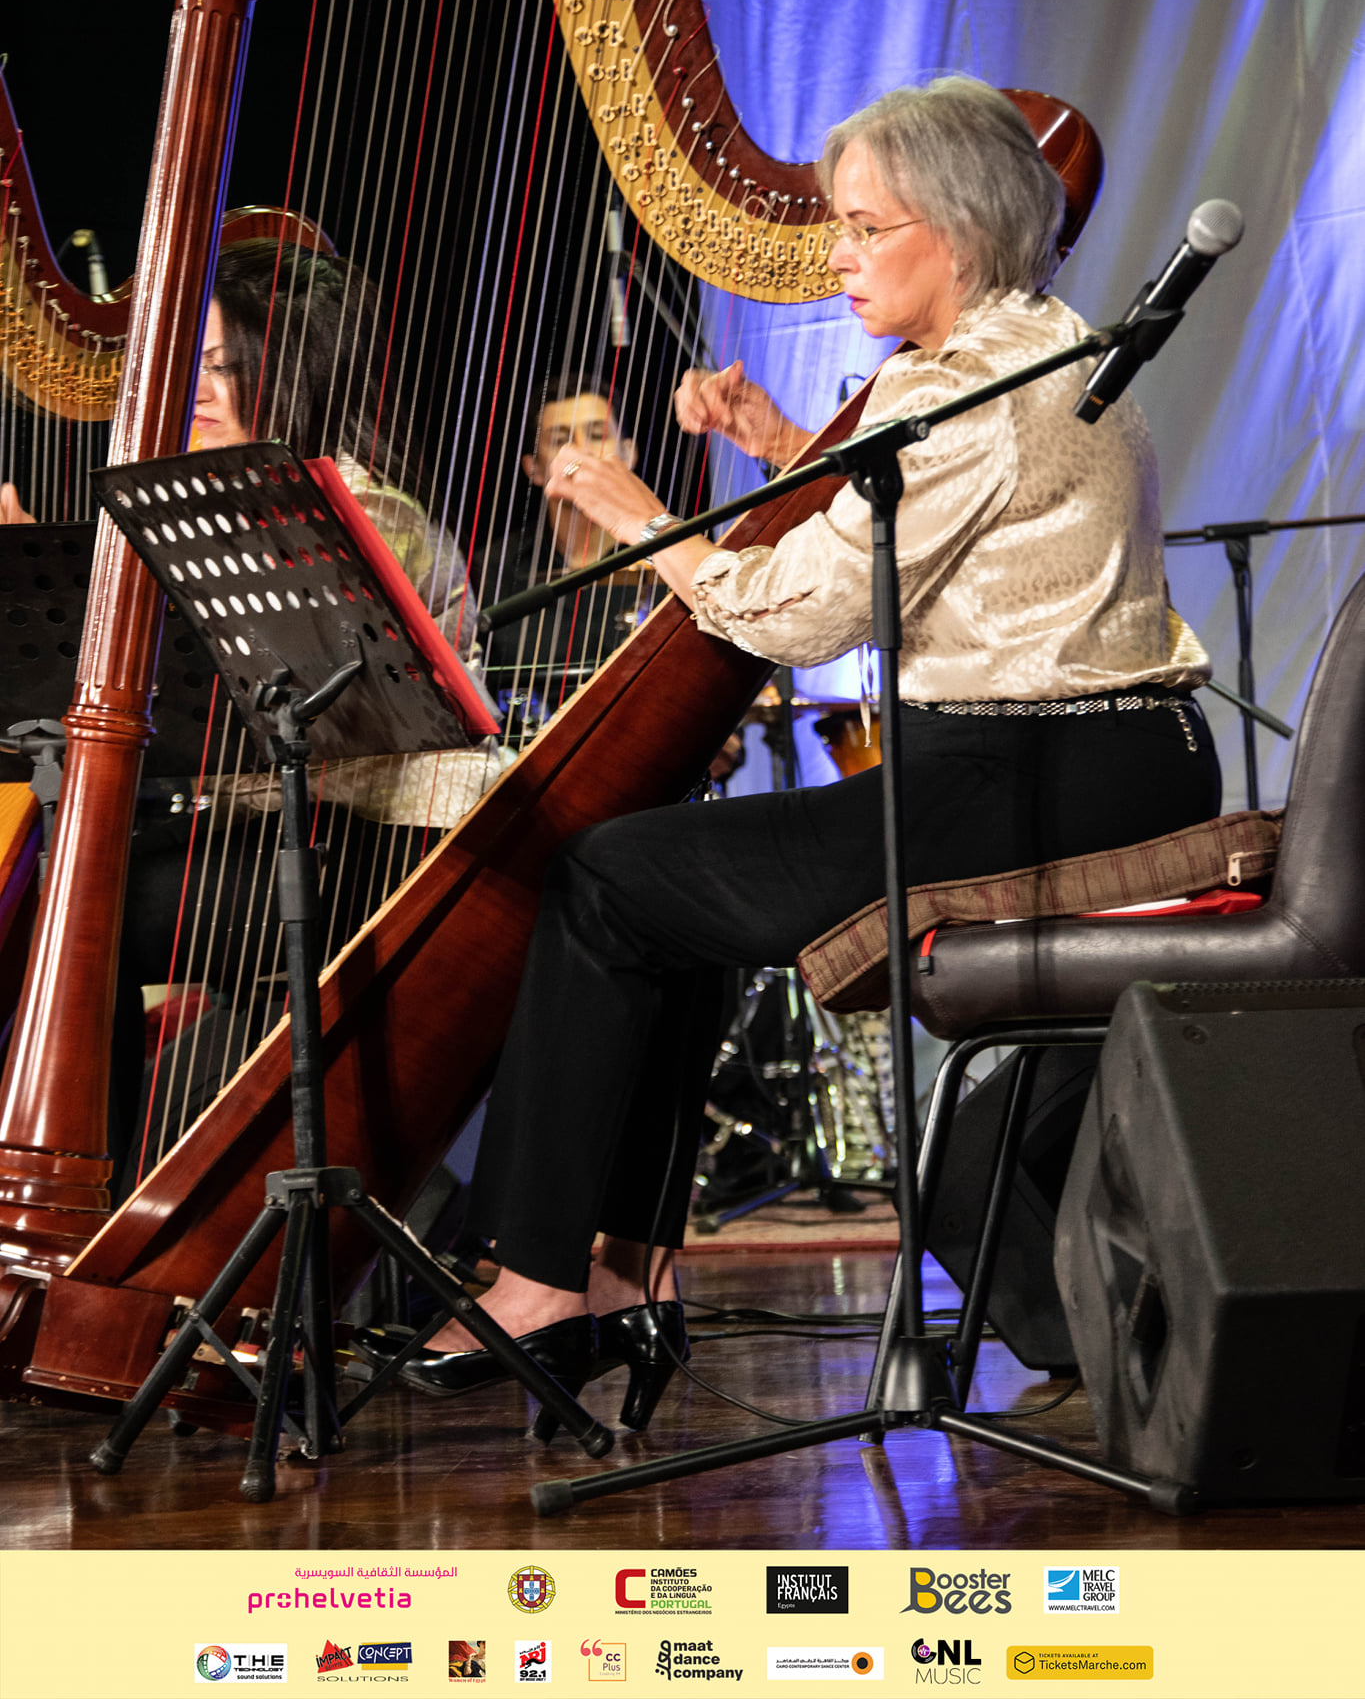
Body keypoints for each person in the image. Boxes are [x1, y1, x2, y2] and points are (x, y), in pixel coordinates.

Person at [360, 77, 1223, 1432]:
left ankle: (542, 1279)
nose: (837, 253)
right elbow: (917, 530)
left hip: (1034, 770)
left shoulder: (976, 391)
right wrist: (775, 444)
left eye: (865, 227)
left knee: (604, 877)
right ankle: (621, 1270)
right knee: (655, 895)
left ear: (958, 230)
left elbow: (800, 612)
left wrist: (639, 515)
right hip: (1099, 755)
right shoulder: (1022, 351)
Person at [107, 240, 501, 1194]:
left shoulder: (359, 509)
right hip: (282, 829)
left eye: (222, 366)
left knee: (91, 919)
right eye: (188, 365)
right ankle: (99, 1195)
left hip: (377, 850)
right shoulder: (210, 509)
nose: (194, 390)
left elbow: (328, 726)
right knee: (76, 895)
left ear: (289, 374)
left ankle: (95, 1190)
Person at [478, 373, 662, 733]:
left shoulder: (672, 559)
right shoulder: (489, 571)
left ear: (629, 453)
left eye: (596, 435)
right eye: (561, 439)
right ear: (534, 468)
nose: (581, 451)